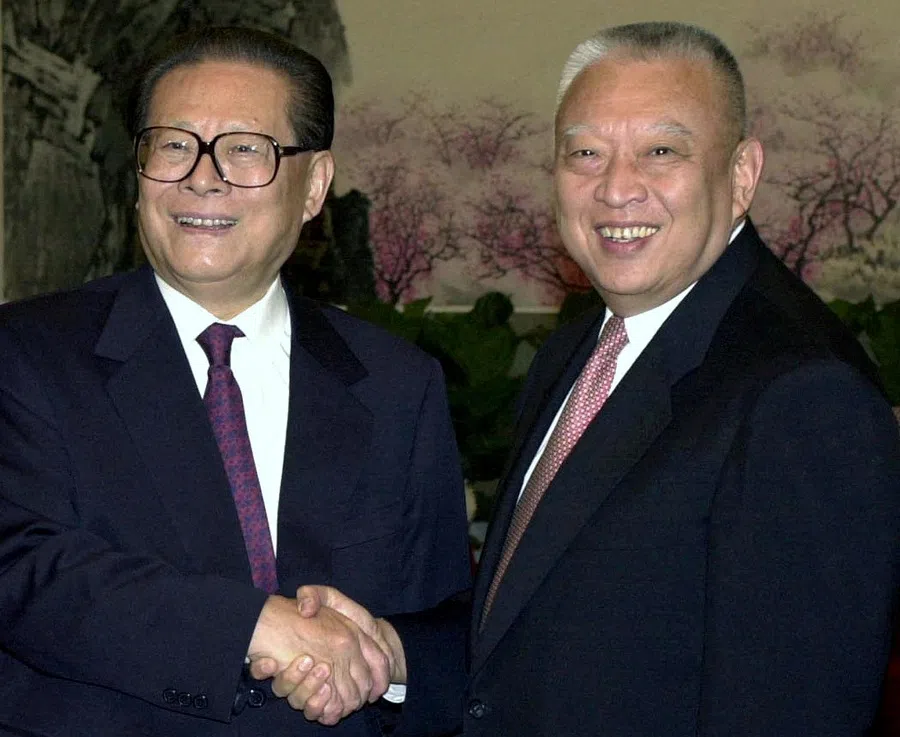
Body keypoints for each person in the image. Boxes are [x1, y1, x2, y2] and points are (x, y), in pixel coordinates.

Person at [273, 21, 900, 737]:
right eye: (586, 154)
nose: (616, 189)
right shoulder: (581, 346)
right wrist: (397, 653)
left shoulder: (802, 394)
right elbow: (553, 634)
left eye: (661, 152)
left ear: (742, 172)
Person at [0, 26, 471, 737]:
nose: (202, 175)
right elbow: (21, 566)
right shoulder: (29, 354)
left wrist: (387, 655)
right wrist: (253, 626)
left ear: (313, 186)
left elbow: (449, 624)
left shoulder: (397, 384)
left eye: (246, 149)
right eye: (173, 144)